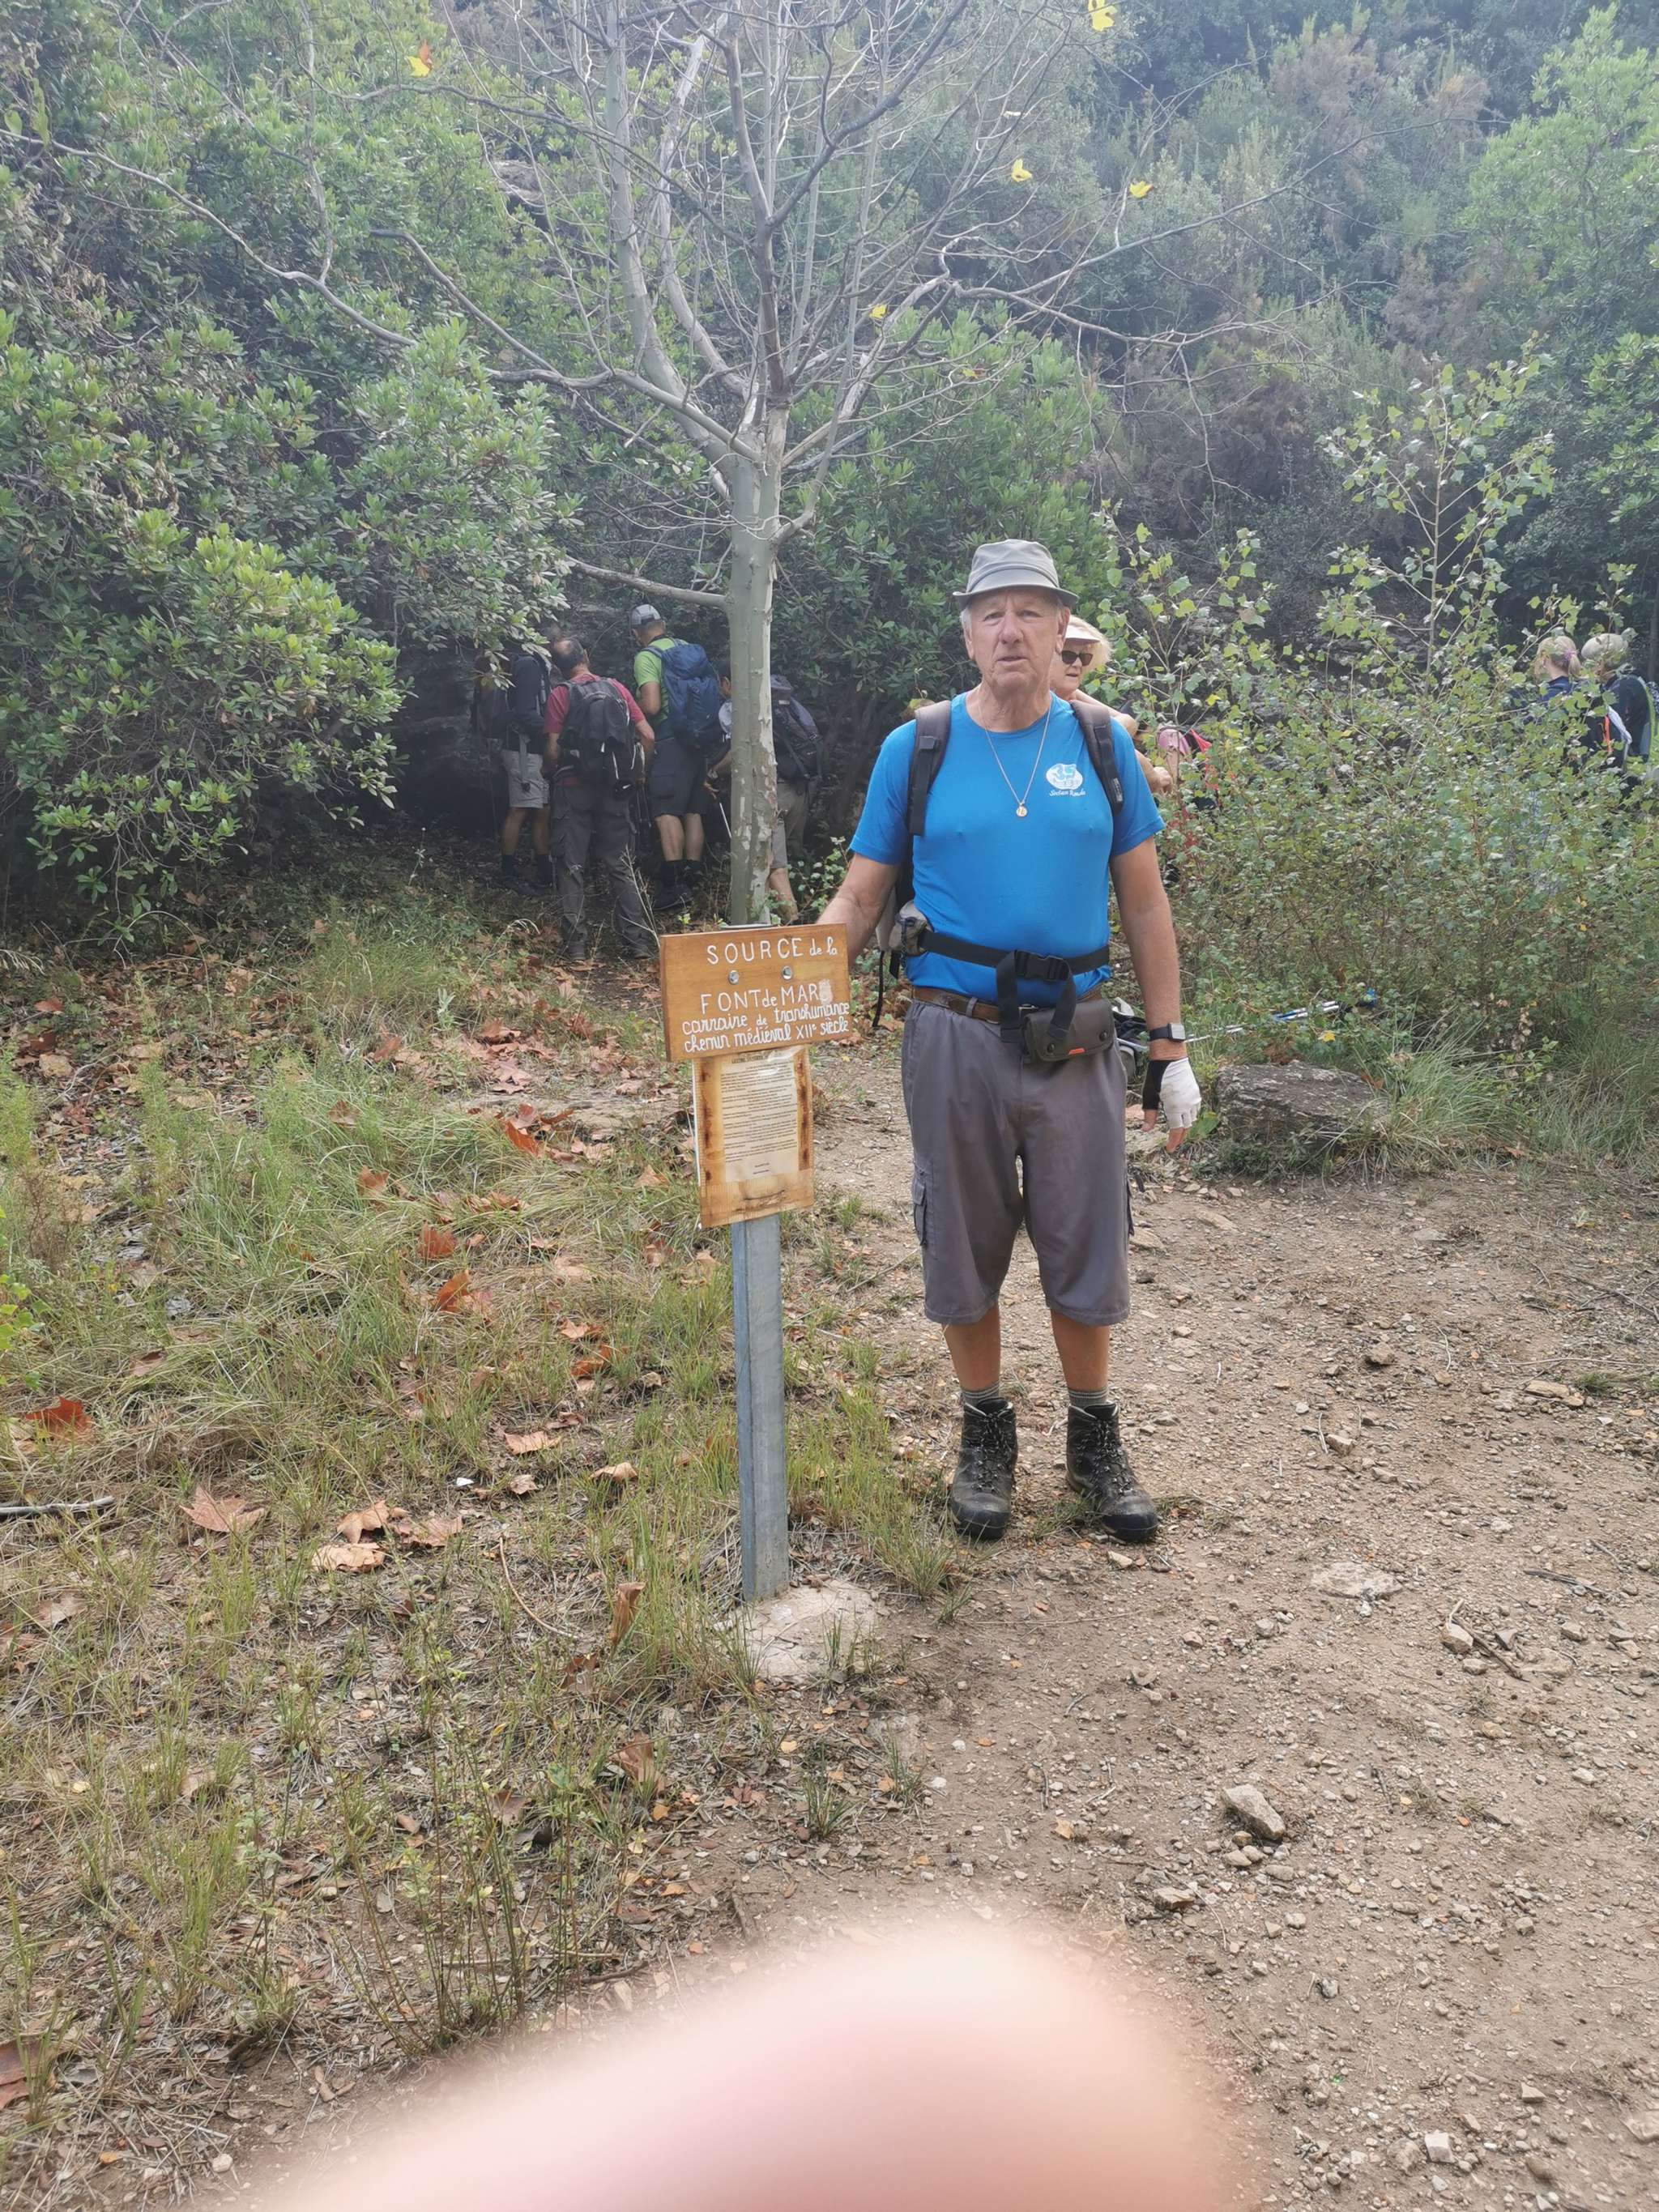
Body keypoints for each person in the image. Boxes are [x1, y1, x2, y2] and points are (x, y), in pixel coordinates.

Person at [819, 539, 1201, 1545]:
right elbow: (857, 897)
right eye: (991, 613)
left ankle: (1092, 1435)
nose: (1010, 631)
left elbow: (1146, 906)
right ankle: (983, 1430)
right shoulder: (918, 747)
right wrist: (787, 999)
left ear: (1061, 628)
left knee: (1085, 1234)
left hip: (1076, 1036)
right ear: (966, 633)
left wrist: (1168, 1046)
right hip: (952, 1033)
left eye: (1030, 611)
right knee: (961, 1235)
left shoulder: (1101, 746)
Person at [544, 637, 656, 962]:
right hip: (615, 788)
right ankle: (637, 943)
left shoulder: (560, 694)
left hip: (573, 788)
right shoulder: (616, 688)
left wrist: (548, 770)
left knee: (571, 864)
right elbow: (648, 735)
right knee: (621, 864)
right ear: (587, 656)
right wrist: (638, 774)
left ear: (557, 669)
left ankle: (577, 948)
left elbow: (553, 751)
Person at [708, 662, 819, 923]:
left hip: (770, 793)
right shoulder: (785, 701)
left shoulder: (736, 708)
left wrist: (713, 772)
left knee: (772, 866)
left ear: (727, 682)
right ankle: (766, 925)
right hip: (798, 791)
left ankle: (795, 926)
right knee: (769, 863)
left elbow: (739, 752)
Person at [630, 603, 721, 908]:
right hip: (699, 739)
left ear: (637, 633)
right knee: (693, 809)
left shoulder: (647, 657)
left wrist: (632, 709)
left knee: (666, 810)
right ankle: (693, 877)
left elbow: (652, 705)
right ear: (663, 623)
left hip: (670, 740)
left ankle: (674, 885)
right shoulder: (686, 648)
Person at [1051, 616, 1173, 798]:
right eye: (1067, 655)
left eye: (1083, 657)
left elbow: (1127, 724)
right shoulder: (1046, 705)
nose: (1077, 664)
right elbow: (1120, 733)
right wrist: (1155, 776)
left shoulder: (1070, 696)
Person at [480, 640, 553, 889]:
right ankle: (508, 873)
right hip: (523, 748)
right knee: (520, 809)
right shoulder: (529, 665)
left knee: (541, 809)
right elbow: (525, 712)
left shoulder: (520, 663)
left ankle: (545, 871)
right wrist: (554, 732)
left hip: (527, 748)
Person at [1578, 630, 1653, 773]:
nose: (1584, 667)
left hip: (1632, 769)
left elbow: (1613, 732)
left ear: (1600, 663)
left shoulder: (1623, 686)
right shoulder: (1633, 679)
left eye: (1587, 662)